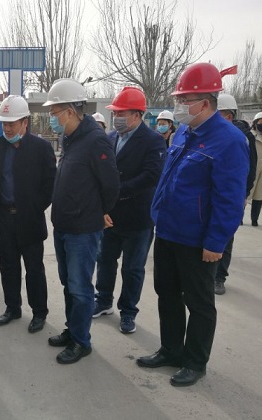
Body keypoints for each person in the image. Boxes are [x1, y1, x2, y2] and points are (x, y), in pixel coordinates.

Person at [137, 63, 249, 387]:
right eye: (179, 99)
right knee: (167, 293)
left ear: (205, 102)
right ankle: (171, 350)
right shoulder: (184, 132)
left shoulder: (229, 141)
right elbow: (168, 179)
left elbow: (230, 199)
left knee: (199, 303)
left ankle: (195, 362)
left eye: (184, 99)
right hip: (168, 230)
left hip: (198, 239)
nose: (179, 105)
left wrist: (216, 242)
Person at [43, 79, 120, 364]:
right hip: (63, 225)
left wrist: (98, 211)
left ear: (71, 111)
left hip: (83, 230)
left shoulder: (95, 140)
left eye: (55, 112)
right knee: (68, 283)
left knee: (80, 286)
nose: (52, 118)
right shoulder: (69, 138)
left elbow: (111, 185)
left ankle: (81, 341)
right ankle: (72, 329)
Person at [93, 87, 167, 334]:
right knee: (105, 260)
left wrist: (118, 191)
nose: (116, 118)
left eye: (121, 113)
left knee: (133, 268)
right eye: (114, 113)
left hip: (138, 217)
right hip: (110, 215)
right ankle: (103, 300)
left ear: (136, 115)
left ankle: (128, 312)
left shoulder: (153, 141)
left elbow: (151, 176)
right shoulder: (110, 138)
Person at [0, 95, 56, 334]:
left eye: (11, 123)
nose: (7, 128)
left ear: (25, 122)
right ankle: (12, 307)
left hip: (29, 219)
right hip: (4, 218)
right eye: (4, 123)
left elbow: (50, 184)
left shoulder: (41, 148)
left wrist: (35, 207)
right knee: (8, 266)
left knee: (34, 269)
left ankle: (39, 312)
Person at [214, 93, 257, 294]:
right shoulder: (209, 134)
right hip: (211, 194)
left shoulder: (243, 138)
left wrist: (244, 195)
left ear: (229, 116)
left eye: (217, 114)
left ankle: (219, 277)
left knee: (226, 236)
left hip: (232, 196)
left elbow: (251, 168)